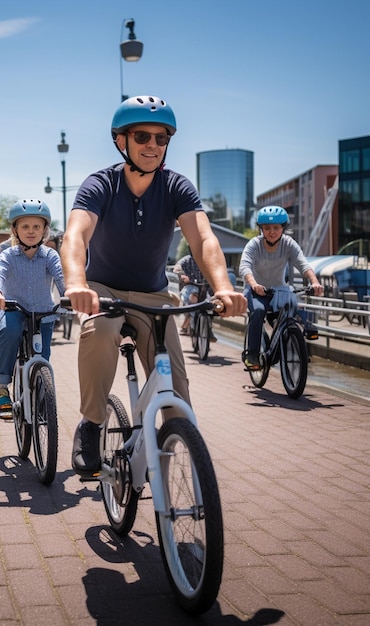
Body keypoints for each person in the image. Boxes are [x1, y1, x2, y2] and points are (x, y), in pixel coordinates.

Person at [60, 95, 247, 479]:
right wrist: (77, 283)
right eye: (142, 136)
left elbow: (204, 239)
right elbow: (75, 235)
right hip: (103, 290)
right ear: (120, 141)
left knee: (177, 392)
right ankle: (92, 424)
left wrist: (224, 287)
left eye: (161, 138)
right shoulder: (101, 184)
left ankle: (178, 444)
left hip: (154, 295)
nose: (152, 145)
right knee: (99, 330)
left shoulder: (176, 186)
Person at [0, 200, 65, 413]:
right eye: (25, 227)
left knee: (43, 357)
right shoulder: (8, 255)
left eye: (36, 227)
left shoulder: (50, 255)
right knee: (9, 332)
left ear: (44, 230)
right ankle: (2, 388)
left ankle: (41, 392)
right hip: (14, 310)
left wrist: (70, 295)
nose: (31, 231)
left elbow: (61, 278)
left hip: (43, 313)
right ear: (15, 230)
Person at [239, 206, 323, 370]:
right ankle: (253, 355)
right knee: (258, 311)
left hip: (278, 290)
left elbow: (302, 263)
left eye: (276, 228)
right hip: (256, 290)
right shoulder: (254, 245)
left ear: (283, 228)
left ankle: (298, 336)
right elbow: (244, 267)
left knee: (293, 307)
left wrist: (315, 282)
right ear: (261, 229)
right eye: (267, 228)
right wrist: (254, 284)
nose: (272, 232)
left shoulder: (288, 244)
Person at [173, 252, 217, 341]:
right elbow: (176, 268)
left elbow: (217, 270)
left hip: (205, 287)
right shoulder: (187, 260)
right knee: (192, 300)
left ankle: (209, 329)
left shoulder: (209, 259)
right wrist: (182, 275)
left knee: (213, 304)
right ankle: (186, 325)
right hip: (191, 285)